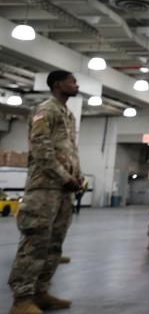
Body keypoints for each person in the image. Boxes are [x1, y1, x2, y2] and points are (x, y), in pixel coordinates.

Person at [8, 70, 83, 314]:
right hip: (44, 190)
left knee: (53, 245)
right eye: (72, 81)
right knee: (35, 244)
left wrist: (77, 175)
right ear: (58, 84)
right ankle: (21, 300)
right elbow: (41, 151)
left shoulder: (68, 114)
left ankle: (40, 293)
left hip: (63, 192)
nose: (76, 85)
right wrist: (65, 177)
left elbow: (68, 151)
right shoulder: (46, 110)